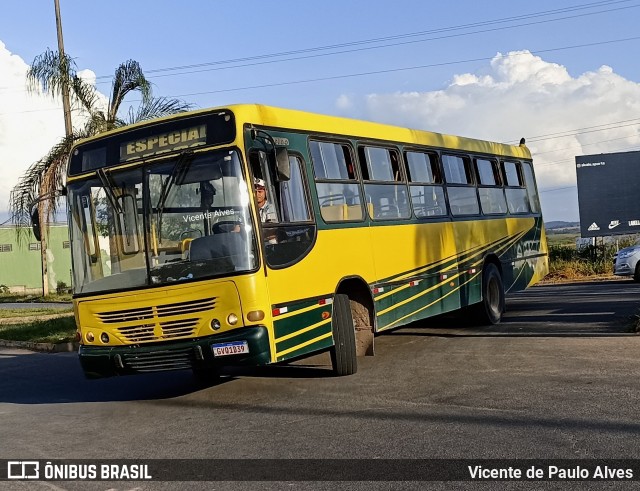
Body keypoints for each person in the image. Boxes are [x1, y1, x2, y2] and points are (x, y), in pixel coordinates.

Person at [254, 178, 278, 244]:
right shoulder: (249, 209)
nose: (257, 194)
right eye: (255, 191)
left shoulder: (270, 208)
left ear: (266, 192)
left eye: (260, 191)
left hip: (267, 244)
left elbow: (271, 231)